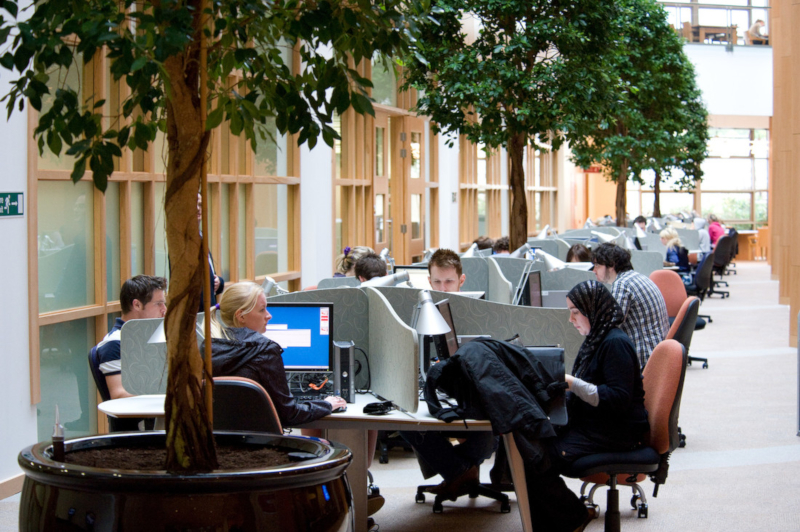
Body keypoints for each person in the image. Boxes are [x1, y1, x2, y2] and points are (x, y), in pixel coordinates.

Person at [524, 280, 648, 532]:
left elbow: (618, 399)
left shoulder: (615, 343)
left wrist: (571, 383)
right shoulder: (598, 338)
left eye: (575, 312)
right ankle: (558, 521)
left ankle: (574, 518)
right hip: (597, 423)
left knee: (537, 458)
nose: (571, 320)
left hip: (615, 432)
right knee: (529, 442)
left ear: (593, 310)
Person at [401, 249, 495, 500]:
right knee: (400, 417)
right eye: (438, 282)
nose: (443, 287)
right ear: (429, 282)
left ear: (461, 280)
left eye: (449, 281)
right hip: (436, 391)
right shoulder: (420, 312)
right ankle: (461, 472)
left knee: (486, 422)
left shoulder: (479, 310)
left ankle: (457, 473)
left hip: (474, 393)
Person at [208, 281, 346, 426]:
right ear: (241, 316)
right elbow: (290, 414)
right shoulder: (264, 351)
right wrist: (327, 405)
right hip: (261, 443)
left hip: (216, 443)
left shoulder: (209, 348)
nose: (269, 315)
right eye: (262, 310)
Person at [592, 243, 669, 367]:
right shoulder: (636, 277)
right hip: (657, 354)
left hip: (644, 359)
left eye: (597, 265)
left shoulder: (621, 285)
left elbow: (608, 326)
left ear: (611, 264)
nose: (594, 270)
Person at [95, 275, 168, 399]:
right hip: (144, 416)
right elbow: (119, 395)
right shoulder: (114, 343)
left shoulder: (152, 336)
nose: (164, 310)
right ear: (137, 305)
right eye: (158, 304)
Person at [197, 194, 225, 309]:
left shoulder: (201, 235)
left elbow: (207, 274)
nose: (198, 209)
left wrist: (219, 282)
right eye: (194, 205)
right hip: (197, 313)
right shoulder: (185, 242)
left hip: (209, 309)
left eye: (200, 205)